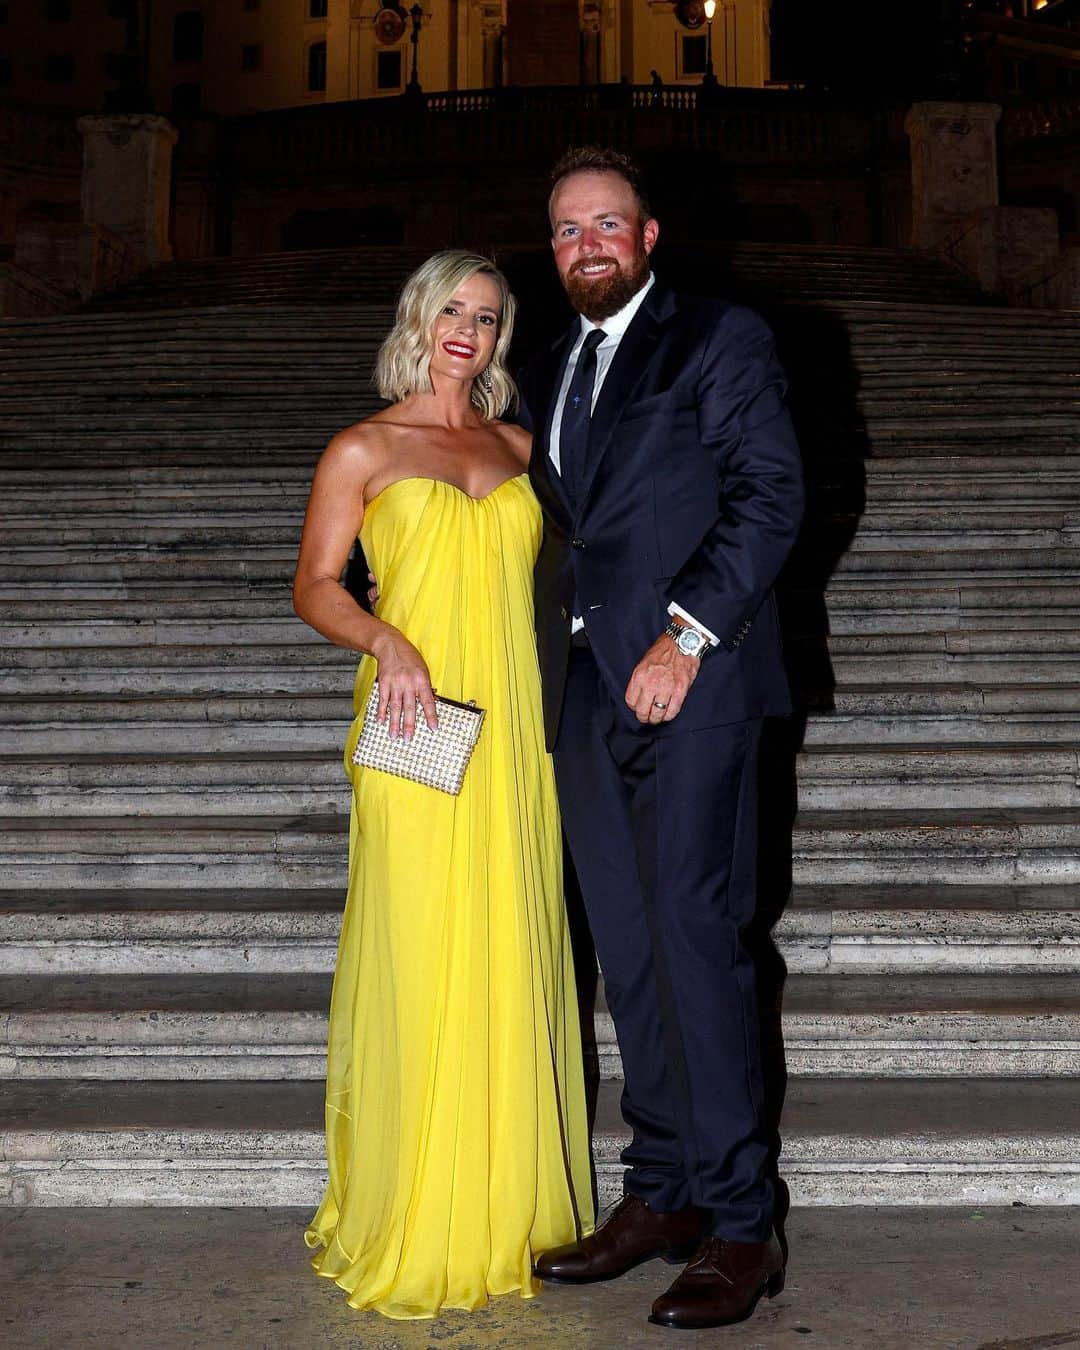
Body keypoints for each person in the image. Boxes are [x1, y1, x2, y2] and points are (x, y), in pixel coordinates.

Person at [517, 146, 805, 1331]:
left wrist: (683, 640)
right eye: (568, 229)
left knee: (697, 942)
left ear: (647, 238)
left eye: (608, 224)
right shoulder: (546, 367)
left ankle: (743, 1224)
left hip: (694, 681)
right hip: (582, 691)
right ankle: (663, 1192)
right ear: (555, 251)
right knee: (628, 949)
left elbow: (770, 495)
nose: (588, 242)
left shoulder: (717, 339)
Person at [292, 250, 594, 1321]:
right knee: (421, 961)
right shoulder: (364, 446)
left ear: (505, 335)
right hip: (416, 729)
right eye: (453, 309)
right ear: (419, 316)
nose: (469, 328)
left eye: (489, 315)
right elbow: (315, 585)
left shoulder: (523, 449)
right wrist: (389, 642)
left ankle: (507, 1209)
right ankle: (415, 1208)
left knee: (510, 955)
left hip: (516, 735)